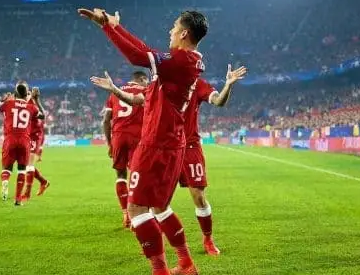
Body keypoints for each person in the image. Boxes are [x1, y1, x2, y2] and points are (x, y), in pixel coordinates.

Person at [80, 7, 206, 275]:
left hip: (156, 145)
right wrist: (114, 26)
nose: (170, 31)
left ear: (184, 33)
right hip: (170, 145)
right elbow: (145, 59)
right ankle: (186, 263)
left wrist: (107, 28)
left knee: (136, 208)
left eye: (174, 27)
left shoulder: (181, 60)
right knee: (160, 207)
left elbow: (140, 55)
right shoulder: (187, 63)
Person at [92, 64, 247, 256]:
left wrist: (228, 85)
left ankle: (208, 239)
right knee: (157, 203)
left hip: (189, 146)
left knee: (198, 196)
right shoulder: (159, 85)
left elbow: (218, 101)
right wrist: (114, 89)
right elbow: (135, 99)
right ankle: (172, 251)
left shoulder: (198, 85)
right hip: (165, 148)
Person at [102, 71, 148, 228]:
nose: (147, 84)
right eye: (146, 81)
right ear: (141, 79)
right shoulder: (144, 91)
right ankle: (138, 213)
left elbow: (106, 120)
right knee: (137, 175)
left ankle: (126, 214)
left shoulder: (115, 92)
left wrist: (110, 144)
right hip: (138, 137)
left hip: (119, 137)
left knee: (120, 175)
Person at [0, 82, 44, 205]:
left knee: (6, 168)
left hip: (9, 140)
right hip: (25, 140)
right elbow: (42, 116)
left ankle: (5, 181)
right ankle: (18, 200)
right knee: (22, 170)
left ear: (15, 93)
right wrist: (37, 100)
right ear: (26, 95)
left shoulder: (9, 104)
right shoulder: (31, 107)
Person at [22, 87, 50, 202]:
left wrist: (36, 99)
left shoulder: (31, 104)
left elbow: (43, 116)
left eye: (28, 93)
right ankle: (44, 182)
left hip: (34, 136)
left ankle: (27, 194)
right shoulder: (26, 104)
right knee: (25, 165)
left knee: (29, 165)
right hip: (27, 136)